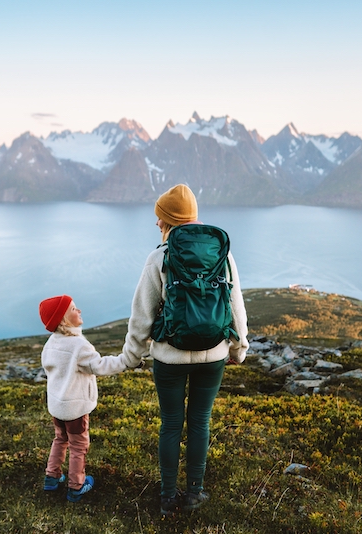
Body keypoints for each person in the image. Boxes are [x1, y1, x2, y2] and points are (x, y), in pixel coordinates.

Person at [120, 183, 249, 516]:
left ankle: (166, 497)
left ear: (169, 220)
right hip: (214, 354)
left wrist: (132, 356)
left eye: (159, 218)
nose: (156, 224)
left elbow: (142, 314)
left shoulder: (159, 257)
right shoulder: (223, 253)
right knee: (200, 422)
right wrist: (238, 348)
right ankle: (194, 493)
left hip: (169, 357)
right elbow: (235, 304)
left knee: (171, 425)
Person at [38, 294, 137, 503]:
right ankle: (77, 486)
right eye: (73, 309)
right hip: (74, 408)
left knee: (60, 439)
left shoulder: (51, 343)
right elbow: (100, 365)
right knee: (78, 446)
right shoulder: (78, 346)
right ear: (64, 320)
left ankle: (52, 477)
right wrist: (126, 362)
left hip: (57, 406)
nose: (79, 310)